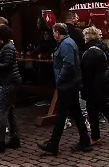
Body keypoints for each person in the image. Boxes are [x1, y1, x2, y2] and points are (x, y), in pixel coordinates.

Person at [38, 22, 91, 156]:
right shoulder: (67, 43)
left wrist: (59, 79)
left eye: (54, 32)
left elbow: (68, 64)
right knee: (76, 114)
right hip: (70, 84)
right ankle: (85, 141)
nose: (52, 34)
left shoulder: (66, 44)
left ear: (58, 32)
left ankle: (53, 144)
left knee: (61, 114)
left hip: (67, 84)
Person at [80, 26, 109, 144]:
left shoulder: (91, 51)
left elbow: (87, 71)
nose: (83, 38)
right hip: (102, 84)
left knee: (92, 110)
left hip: (94, 86)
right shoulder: (101, 47)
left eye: (85, 36)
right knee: (104, 108)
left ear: (88, 37)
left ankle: (95, 137)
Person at [0, 24, 21, 153]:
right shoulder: (7, 46)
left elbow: (7, 65)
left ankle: (0, 142)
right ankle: (14, 138)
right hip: (11, 81)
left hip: (10, 81)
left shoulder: (8, 47)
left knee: (2, 111)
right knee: (10, 110)